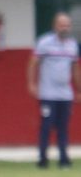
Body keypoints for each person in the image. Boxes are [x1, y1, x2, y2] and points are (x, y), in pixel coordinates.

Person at [28, 13, 78, 168]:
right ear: (55, 25)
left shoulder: (72, 45)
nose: (65, 28)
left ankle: (64, 159)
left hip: (65, 94)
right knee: (47, 126)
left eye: (67, 25)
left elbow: (75, 68)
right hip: (48, 93)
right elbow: (32, 63)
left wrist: (79, 89)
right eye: (62, 24)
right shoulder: (45, 42)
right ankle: (43, 159)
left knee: (63, 127)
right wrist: (31, 83)